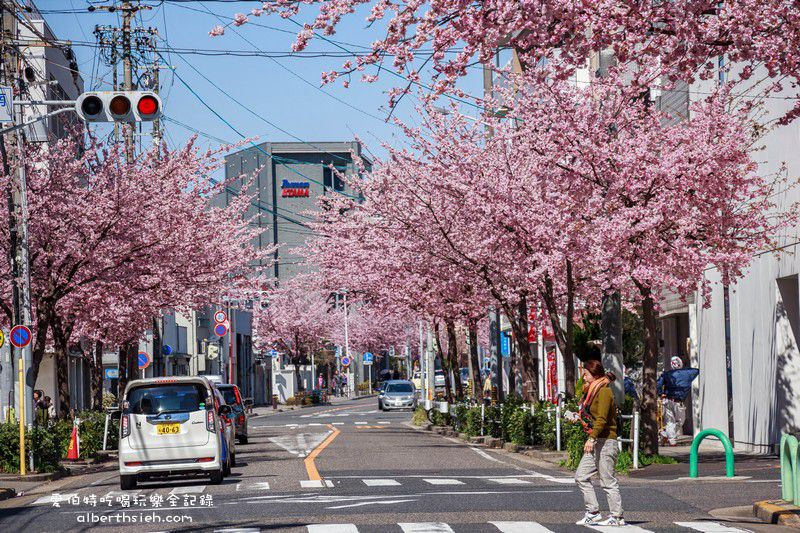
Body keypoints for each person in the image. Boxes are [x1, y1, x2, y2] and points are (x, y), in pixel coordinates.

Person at [574, 359, 624, 526]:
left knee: (607, 480)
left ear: (594, 375)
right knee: (581, 476)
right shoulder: (591, 391)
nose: (584, 378)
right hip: (596, 440)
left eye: (586, 374)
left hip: (605, 440)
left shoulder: (604, 392)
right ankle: (593, 512)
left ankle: (617, 517)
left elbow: (602, 419)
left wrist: (591, 438)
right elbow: (592, 416)